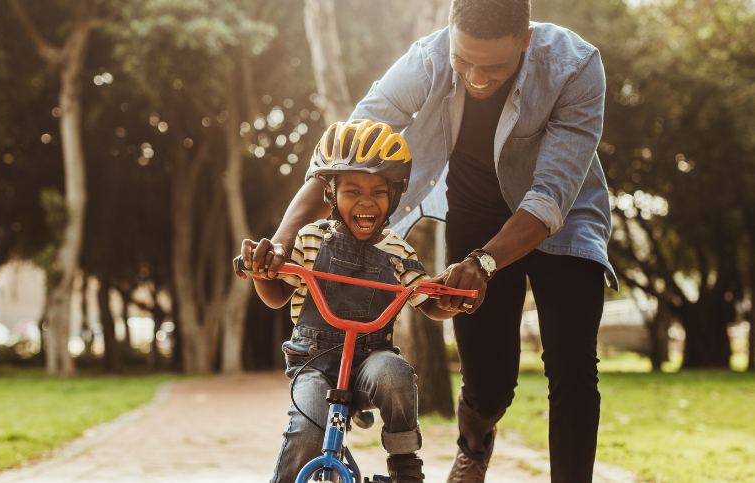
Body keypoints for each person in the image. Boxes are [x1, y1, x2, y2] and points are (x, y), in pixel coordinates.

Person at [238, 0, 619, 481]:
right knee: (489, 381)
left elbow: (548, 198)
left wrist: (483, 264)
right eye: (465, 62)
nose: (477, 79)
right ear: (450, 35)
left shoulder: (576, 66)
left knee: (572, 362)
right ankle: (475, 446)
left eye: (494, 66)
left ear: (526, 40)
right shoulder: (427, 59)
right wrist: (284, 238)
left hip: (562, 217)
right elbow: (350, 149)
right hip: (477, 213)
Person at [237, 120, 464, 483]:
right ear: (330, 193)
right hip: (314, 362)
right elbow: (278, 296)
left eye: (378, 191)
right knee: (308, 432)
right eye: (353, 190)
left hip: (369, 362)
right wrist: (263, 274)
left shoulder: (397, 251)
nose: (366, 201)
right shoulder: (312, 239)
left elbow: (427, 300)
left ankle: (405, 465)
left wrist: (449, 300)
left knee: (395, 374)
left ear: (395, 194)